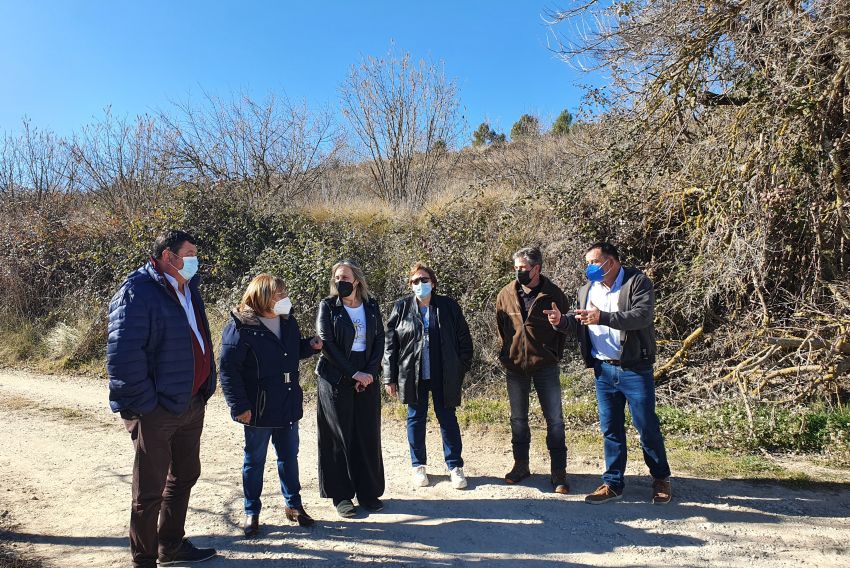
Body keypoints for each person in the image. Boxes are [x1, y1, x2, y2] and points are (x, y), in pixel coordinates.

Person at [107, 230, 217, 567]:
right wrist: (145, 406)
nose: (195, 260)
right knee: (148, 491)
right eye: (190, 253)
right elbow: (123, 356)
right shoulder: (137, 291)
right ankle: (144, 559)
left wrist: (204, 387)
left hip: (191, 401)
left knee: (185, 474)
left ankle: (171, 544)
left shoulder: (188, 288)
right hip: (157, 409)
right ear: (168, 257)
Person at [544, 241, 672, 504]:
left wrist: (602, 317)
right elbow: (580, 321)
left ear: (611, 262)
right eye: (588, 263)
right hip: (603, 370)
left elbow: (641, 316)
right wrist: (561, 322)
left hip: (635, 369)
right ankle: (613, 483)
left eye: (593, 262)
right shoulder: (587, 290)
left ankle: (661, 478)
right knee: (610, 429)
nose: (589, 267)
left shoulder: (637, 283)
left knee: (646, 427)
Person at [219, 274, 324, 538]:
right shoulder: (240, 326)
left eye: (283, 292)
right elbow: (228, 370)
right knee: (254, 461)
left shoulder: (287, 321)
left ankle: (294, 506)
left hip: (287, 401)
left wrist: (309, 346)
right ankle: (251, 511)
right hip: (258, 406)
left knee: (289, 457)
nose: (284, 297)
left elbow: (288, 352)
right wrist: (239, 406)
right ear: (263, 295)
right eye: (279, 293)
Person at [383, 262, 474, 490]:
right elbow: (390, 345)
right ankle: (418, 466)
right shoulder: (401, 308)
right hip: (413, 374)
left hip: (443, 373)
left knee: (447, 418)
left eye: (424, 280)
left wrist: (460, 367)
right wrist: (389, 377)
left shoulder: (448, 306)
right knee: (415, 418)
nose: (420, 284)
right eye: (415, 281)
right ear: (409, 285)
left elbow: (464, 338)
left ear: (433, 283)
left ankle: (455, 466)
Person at [495, 246, 571, 494]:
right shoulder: (505, 294)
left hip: (545, 367)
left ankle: (558, 472)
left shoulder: (553, 294)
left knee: (555, 421)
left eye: (523, 268)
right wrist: (508, 353)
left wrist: (551, 354)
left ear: (537, 268)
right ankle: (521, 465)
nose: (519, 272)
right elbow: (502, 329)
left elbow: (564, 329)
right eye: (516, 268)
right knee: (518, 419)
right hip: (515, 367)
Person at [315, 259, 386, 518]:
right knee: (338, 435)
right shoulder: (328, 306)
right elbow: (327, 343)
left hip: (366, 373)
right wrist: (352, 372)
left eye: (345, 277)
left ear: (356, 280)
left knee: (366, 432)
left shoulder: (371, 306)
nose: (340, 282)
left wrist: (368, 372)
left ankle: (368, 490)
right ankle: (341, 495)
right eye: (336, 277)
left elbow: (379, 339)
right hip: (335, 375)